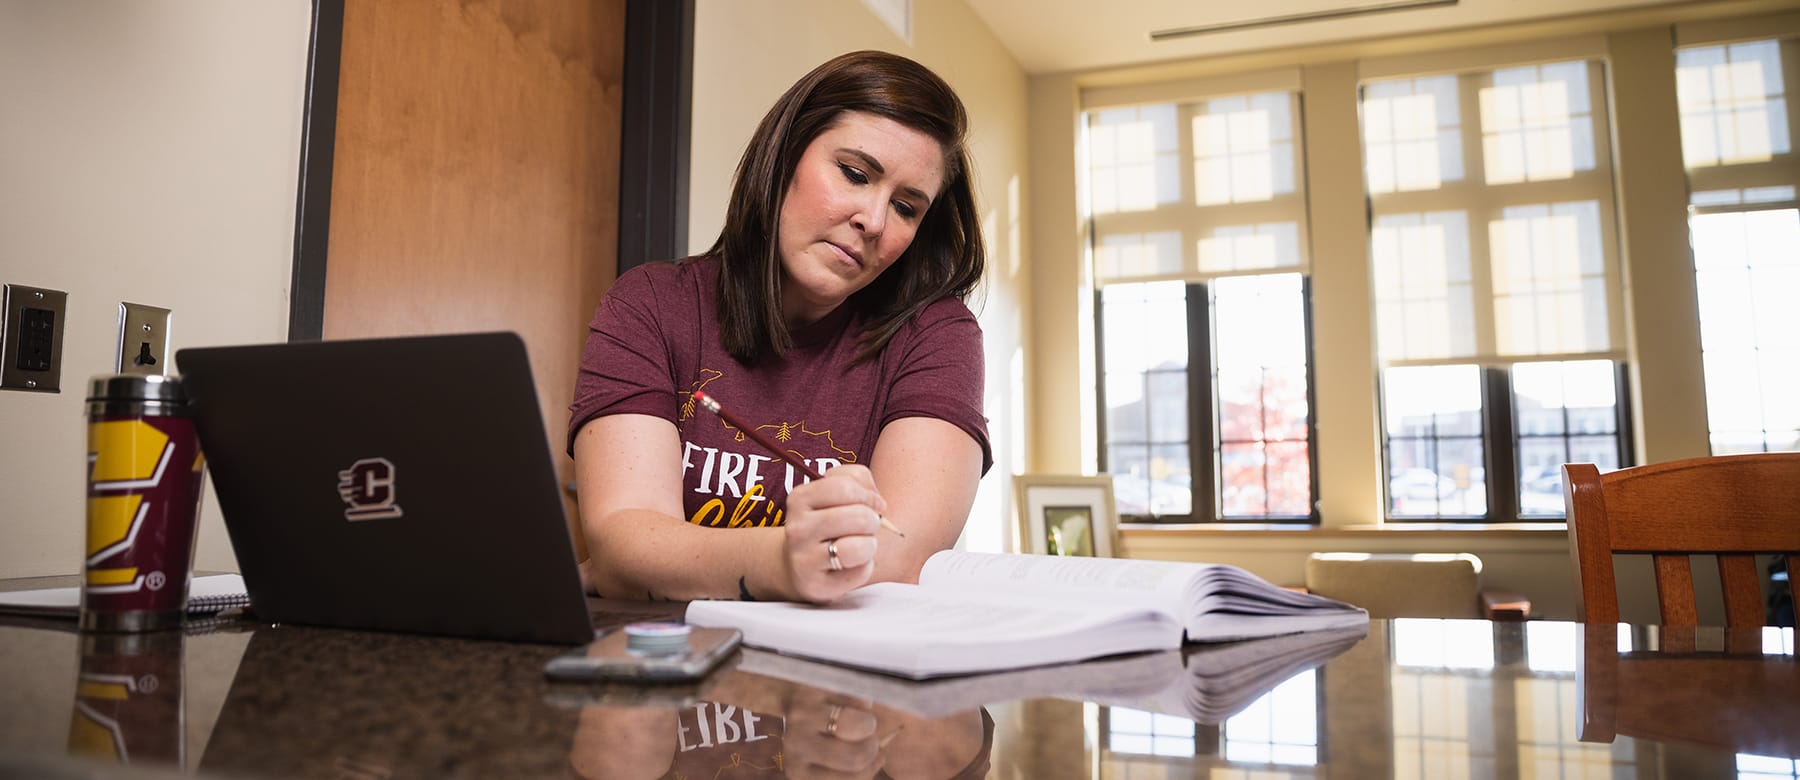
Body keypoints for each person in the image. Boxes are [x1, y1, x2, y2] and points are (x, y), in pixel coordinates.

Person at [568, 50, 991, 605]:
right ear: (786, 154)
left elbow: (899, 558)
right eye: (855, 174)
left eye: (908, 207)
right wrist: (783, 562)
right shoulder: (651, 304)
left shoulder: (937, 336)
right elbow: (626, 541)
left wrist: (659, 563)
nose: (875, 221)